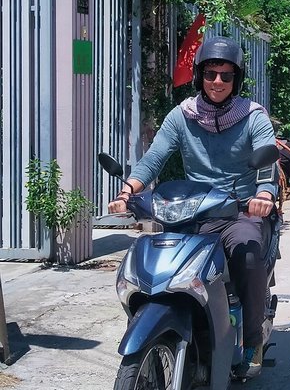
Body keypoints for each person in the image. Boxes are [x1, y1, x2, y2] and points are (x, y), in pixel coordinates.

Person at [107, 36, 277, 379]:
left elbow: (267, 164)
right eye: (211, 74)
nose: (218, 82)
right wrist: (127, 191)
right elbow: (155, 157)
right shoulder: (182, 116)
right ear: (200, 75)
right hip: (192, 211)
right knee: (155, 262)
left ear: (236, 79)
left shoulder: (253, 116)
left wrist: (264, 195)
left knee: (247, 253)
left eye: (226, 75)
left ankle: (252, 340)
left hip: (238, 211)